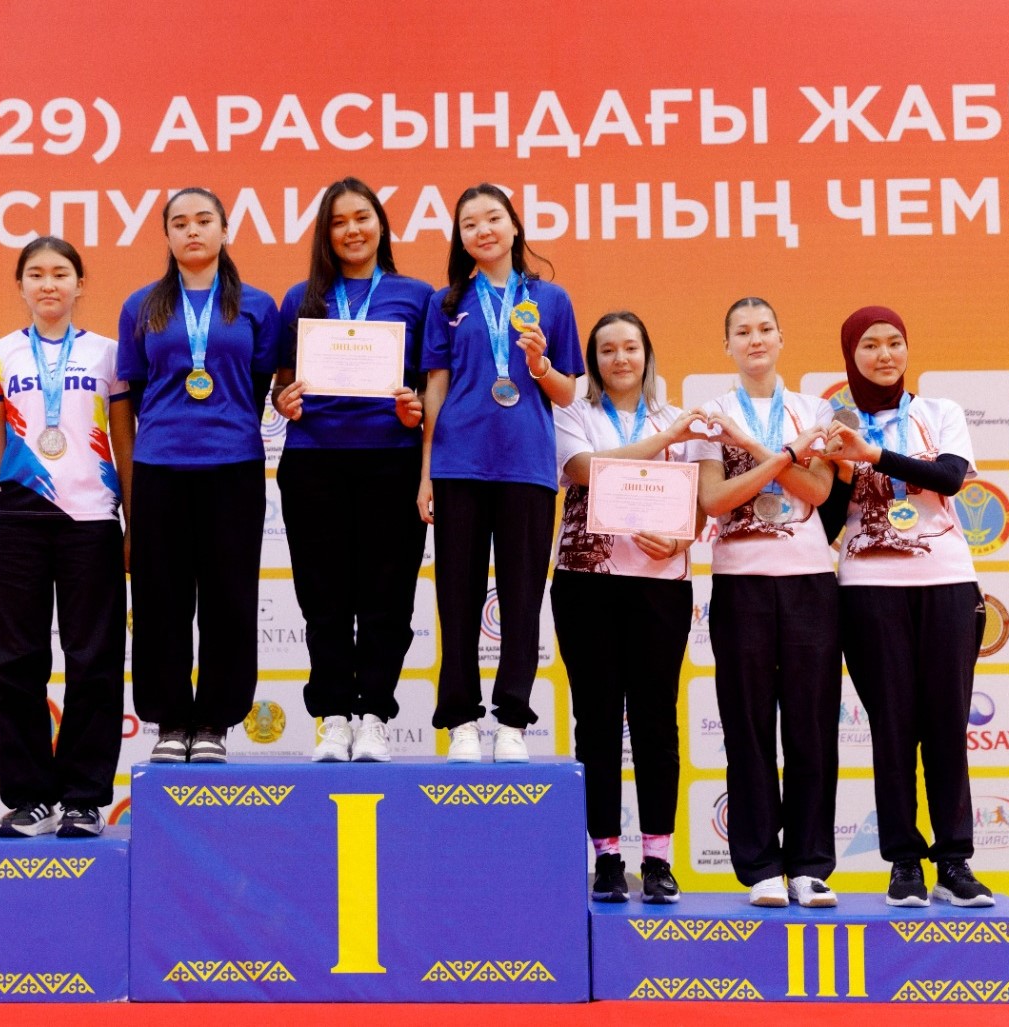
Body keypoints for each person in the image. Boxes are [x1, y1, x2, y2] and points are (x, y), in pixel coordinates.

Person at [820, 305, 994, 907]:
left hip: (947, 581)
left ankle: (954, 861)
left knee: (946, 724)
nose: (885, 355)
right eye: (869, 345)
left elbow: (948, 478)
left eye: (895, 341)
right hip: (868, 587)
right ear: (851, 355)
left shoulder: (940, 413)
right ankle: (903, 863)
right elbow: (826, 521)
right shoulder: (834, 421)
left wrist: (872, 456)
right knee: (892, 728)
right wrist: (843, 471)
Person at [0, 236, 130, 838]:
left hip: (92, 521)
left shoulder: (108, 354)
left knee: (94, 661)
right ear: (20, 286)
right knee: (16, 662)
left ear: (80, 284)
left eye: (60, 273)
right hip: (17, 521)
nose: (48, 284)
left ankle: (85, 797)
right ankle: (31, 796)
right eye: (35, 274)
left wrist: (132, 523)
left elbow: (124, 443)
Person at [419, 184, 583, 763]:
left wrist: (538, 363)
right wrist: (426, 473)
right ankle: (461, 720)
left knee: (521, 599)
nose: (483, 230)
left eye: (493, 218)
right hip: (458, 463)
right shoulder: (445, 302)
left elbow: (566, 392)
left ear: (514, 226)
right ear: (460, 238)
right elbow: (436, 386)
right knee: (457, 598)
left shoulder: (551, 299)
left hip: (527, 466)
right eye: (470, 224)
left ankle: (513, 720)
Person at [272, 178, 432, 762]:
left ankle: (374, 716)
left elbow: (431, 386)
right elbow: (281, 385)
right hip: (314, 462)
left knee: (388, 597)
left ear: (381, 224)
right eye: (338, 222)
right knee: (324, 596)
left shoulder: (417, 296)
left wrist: (416, 406)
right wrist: (284, 401)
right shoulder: (301, 298)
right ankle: (334, 715)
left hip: (392, 461)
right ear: (326, 233)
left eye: (361, 217)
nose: (352, 230)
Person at [551, 311, 709, 902]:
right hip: (585, 582)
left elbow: (702, 498)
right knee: (595, 719)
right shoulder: (573, 411)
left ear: (647, 354)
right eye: (608, 349)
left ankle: (659, 858)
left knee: (655, 719)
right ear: (593, 361)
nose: (620, 359)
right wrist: (663, 442)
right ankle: (607, 857)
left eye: (631, 348)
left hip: (660, 582)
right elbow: (585, 470)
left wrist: (683, 540)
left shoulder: (679, 418)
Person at [118, 188, 279, 765]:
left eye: (204, 220)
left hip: (233, 466)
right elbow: (138, 388)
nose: (192, 231)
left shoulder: (257, 305)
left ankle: (214, 720)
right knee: (160, 598)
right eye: (180, 223)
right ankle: (169, 720)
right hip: (160, 466)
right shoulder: (141, 306)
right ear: (166, 235)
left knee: (228, 597)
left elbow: (260, 383)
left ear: (224, 230)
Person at [694, 296, 839, 907]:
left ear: (781, 338)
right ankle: (760, 867)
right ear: (726, 345)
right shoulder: (712, 415)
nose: (755, 340)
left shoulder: (815, 409)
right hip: (741, 581)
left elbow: (817, 490)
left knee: (812, 724)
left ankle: (809, 865)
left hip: (809, 579)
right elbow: (714, 501)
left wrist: (754, 450)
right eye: (742, 332)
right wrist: (784, 454)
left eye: (765, 329)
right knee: (748, 725)